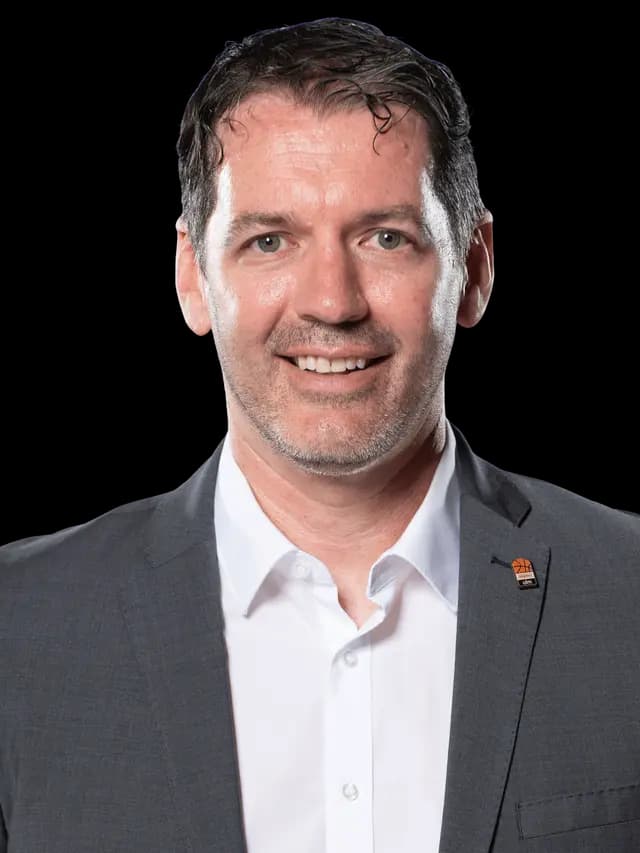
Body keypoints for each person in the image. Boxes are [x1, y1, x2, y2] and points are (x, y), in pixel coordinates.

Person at [1, 16, 638, 853]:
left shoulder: (628, 595)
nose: (332, 302)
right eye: (270, 240)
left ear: (475, 267)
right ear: (193, 276)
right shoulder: (19, 624)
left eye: (385, 237)